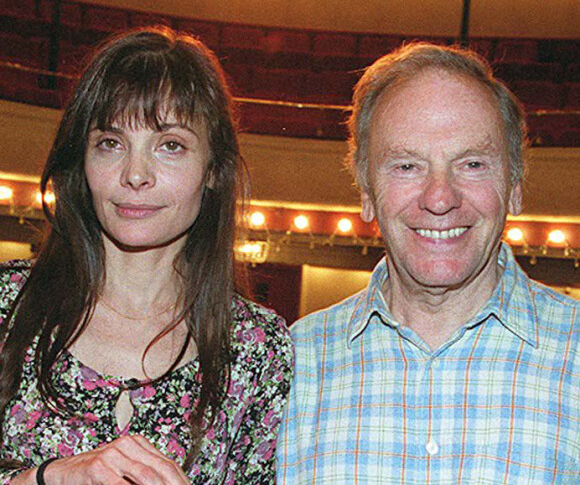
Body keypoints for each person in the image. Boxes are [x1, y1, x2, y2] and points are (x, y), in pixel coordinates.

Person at [0, 27, 293, 484]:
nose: (135, 174)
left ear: (214, 170)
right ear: (82, 162)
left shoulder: (258, 349)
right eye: (110, 143)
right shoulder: (6, 304)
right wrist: (47, 479)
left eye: (170, 145)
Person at [277, 42, 580, 483]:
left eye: (472, 164)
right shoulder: (290, 367)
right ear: (365, 191)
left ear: (515, 184)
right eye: (406, 166)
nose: (440, 198)